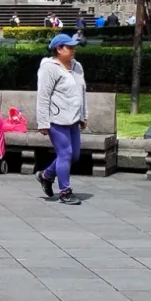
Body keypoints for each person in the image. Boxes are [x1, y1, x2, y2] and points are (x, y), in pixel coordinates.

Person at [35, 33, 86, 206]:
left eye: (74, 47)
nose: (73, 50)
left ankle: (46, 176)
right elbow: (43, 96)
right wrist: (42, 122)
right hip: (56, 118)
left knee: (75, 155)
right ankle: (65, 192)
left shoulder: (77, 66)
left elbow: (81, 92)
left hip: (73, 118)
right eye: (69, 47)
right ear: (58, 49)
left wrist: (82, 115)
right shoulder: (49, 68)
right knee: (65, 153)